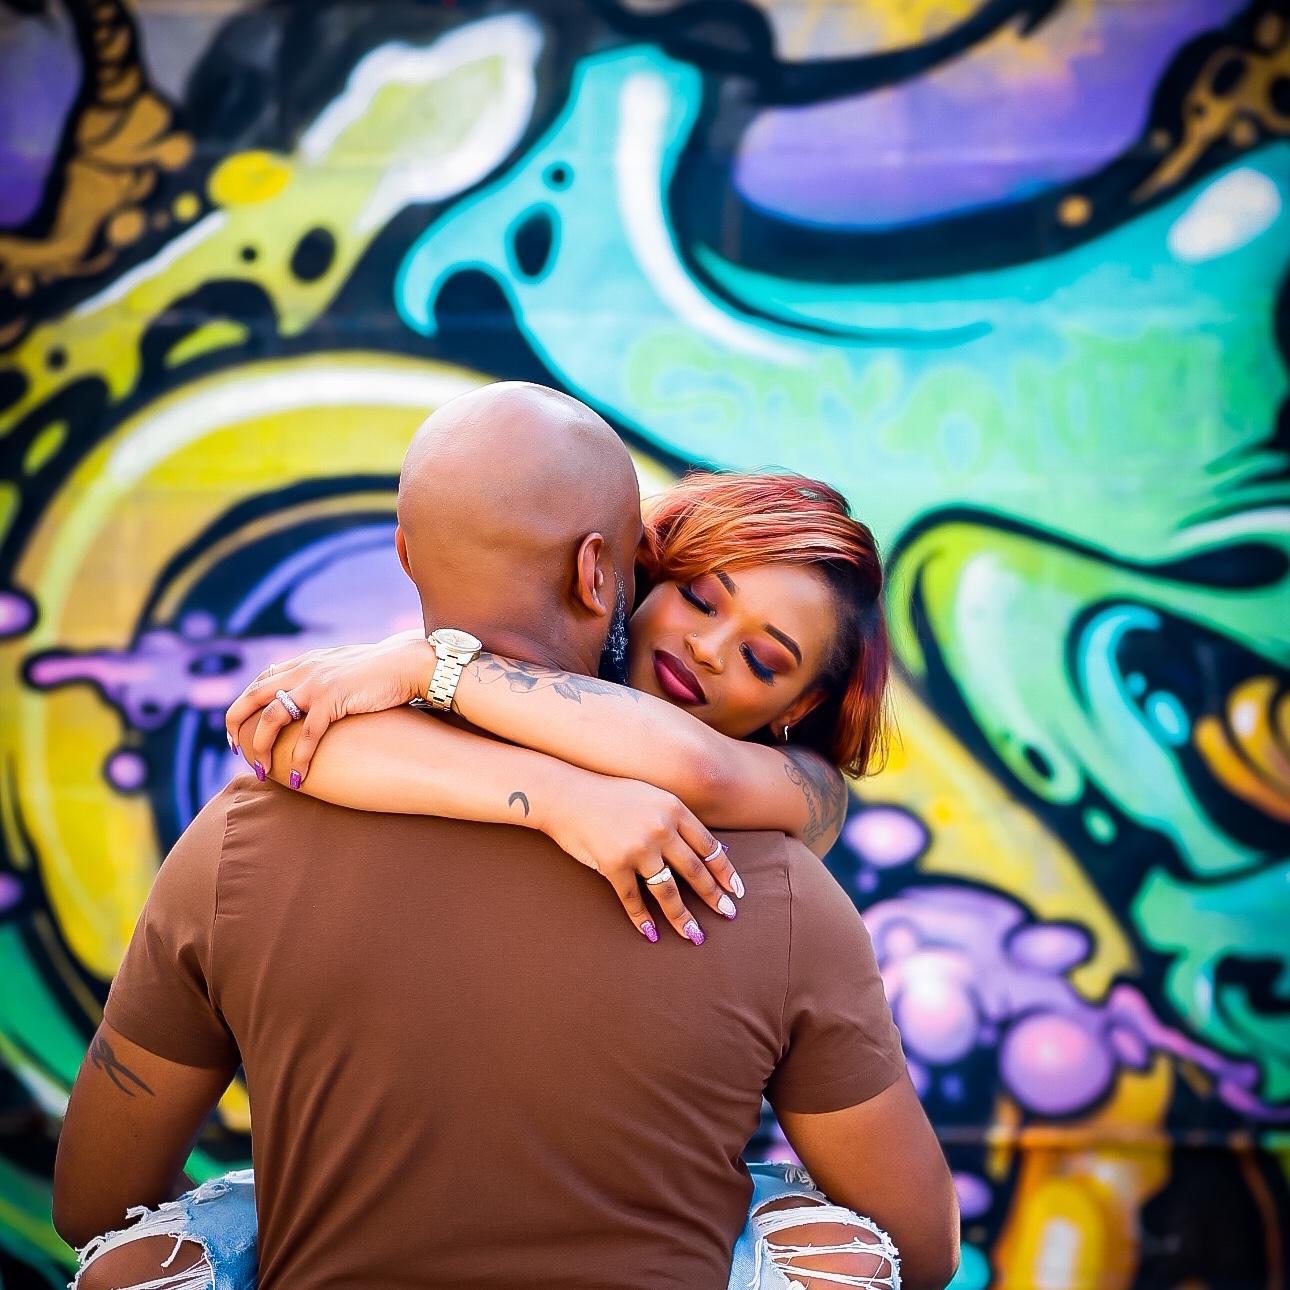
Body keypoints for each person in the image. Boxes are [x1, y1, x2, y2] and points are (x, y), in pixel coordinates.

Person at [53, 383, 959, 1289]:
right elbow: (919, 1246)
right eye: (698, 598)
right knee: (835, 1248)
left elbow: (95, 1200)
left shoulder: (237, 839)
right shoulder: (774, 893)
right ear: (612, 574)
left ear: (404, 552)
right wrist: (561, 798)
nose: (711, 650)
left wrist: (431, 664)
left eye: (763, 658)